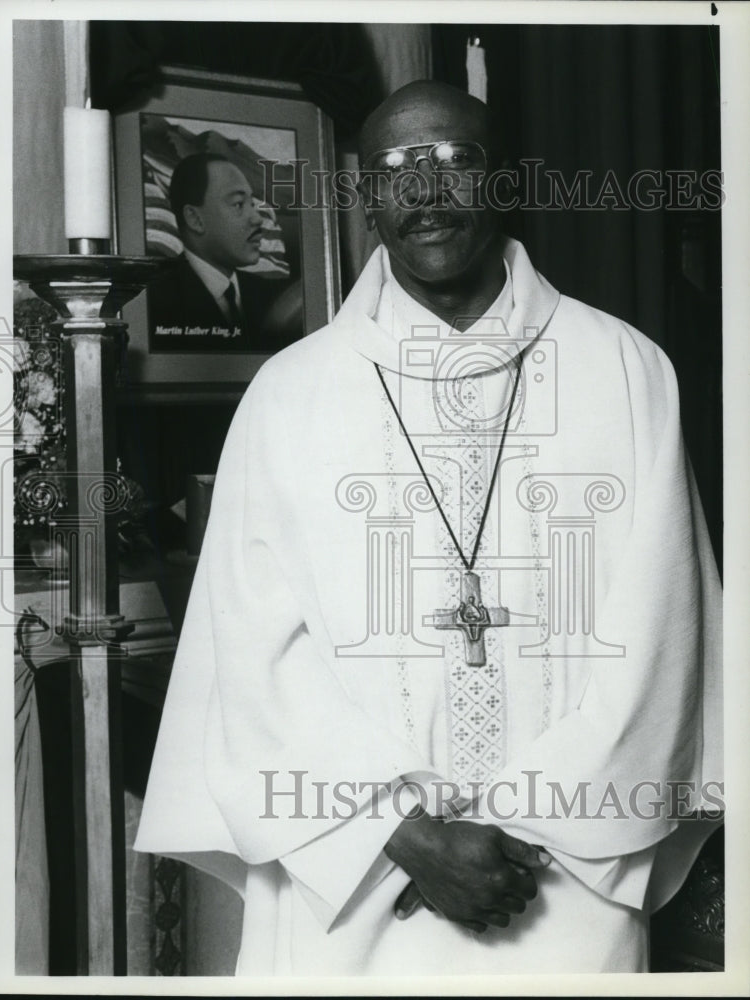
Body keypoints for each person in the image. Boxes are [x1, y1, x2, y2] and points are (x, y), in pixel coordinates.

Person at [136, 81, 722, 975]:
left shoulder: (625, 371)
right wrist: (402, 834)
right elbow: (251, 654)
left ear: (504, 181)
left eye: (455, 161)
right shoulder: (291, 395)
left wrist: (519, 827)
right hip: (356, 879)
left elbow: (665, 632)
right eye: (396, 170)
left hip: (563, 879)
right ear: (368, 201)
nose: (426, 190)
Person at [146, 152, 300, 351]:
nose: (257, 218)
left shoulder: (270, 300)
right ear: (195, 219)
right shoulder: (156, 300)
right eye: (238, 204)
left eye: (252, 204)